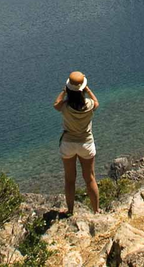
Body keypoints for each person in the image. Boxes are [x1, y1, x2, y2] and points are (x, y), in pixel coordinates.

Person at [53, 70, 99, 215]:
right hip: (86, 143)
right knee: (90, 178)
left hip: (68, 144)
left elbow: (56, 104)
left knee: (70, 179)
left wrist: (64, 91)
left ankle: (70, 210)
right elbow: (97, 102)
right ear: (83, 89)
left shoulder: (65, 106)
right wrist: (88, 90)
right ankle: (96, 211)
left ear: (68, 89)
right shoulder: (90, 105)